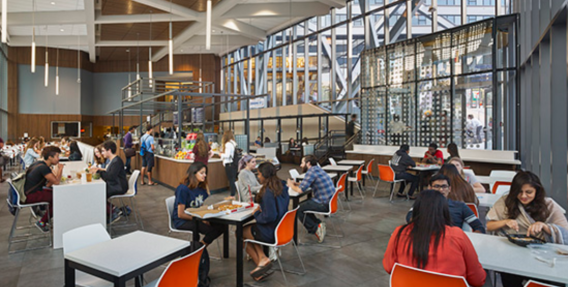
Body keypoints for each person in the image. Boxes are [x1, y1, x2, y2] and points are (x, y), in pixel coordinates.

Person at [383, 189, 486, 287]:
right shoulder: (457, 236)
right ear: (444, 211)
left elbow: (389, 267)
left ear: (416, 210)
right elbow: (478, 279)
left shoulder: (400, 233)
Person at [486, 171, 568, 287]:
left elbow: (565, 232)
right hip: (511, 253)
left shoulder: (548, 205)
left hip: (541, 256)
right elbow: (489, 226)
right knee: (510, 277)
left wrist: (545, 226)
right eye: (519, 192)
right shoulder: (506, 202)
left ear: (537, 191)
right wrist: (505, 222)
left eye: (529, 192)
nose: (523, 196)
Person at [243, 162, 289, 282]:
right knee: (249, 231)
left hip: (271, 231)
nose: (258, 177)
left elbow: (269, 216)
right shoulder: (282, 186)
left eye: (258, 174)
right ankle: (261, 264)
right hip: (282, 228)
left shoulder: (268, 191)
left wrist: (257, 213)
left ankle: (261, 260)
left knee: (241, 232)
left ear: (264, 175)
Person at [171, 162, 224, 262]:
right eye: (202, 173)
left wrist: (206, 216)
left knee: (222, 225)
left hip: (197, 217)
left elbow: (199, 207)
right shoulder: (183, 189)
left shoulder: (201, 188)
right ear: (194, 174)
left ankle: (199, 249)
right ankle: (197, 252)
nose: (205, 175)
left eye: (205, 173)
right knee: (212, 230)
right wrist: (201, 219)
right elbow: (180, 214)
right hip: (182, 221)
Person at [406, 174, 485, 233]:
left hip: (451, 241)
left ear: (449, 189)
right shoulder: (422, 202)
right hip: (425, 241)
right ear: (430, 188)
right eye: (436, 186)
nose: (441, 190)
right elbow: (409, 218)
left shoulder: (460, 206)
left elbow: (479, 228)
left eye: (444, 186)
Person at [286, 155, 335, 243]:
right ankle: (318, 224)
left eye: (302, 163)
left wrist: (291, 185)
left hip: (323, 204)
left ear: (308, 164)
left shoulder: (311, 172)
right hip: (330, 202)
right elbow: (307, 184)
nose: (301, 165)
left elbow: (300, 190)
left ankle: (315, 227)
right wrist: (297, 184)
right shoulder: (318, 169)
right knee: (304, 205)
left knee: (298, 209)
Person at [24, 146, 64, 233]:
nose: (58, 159)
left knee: (55, 195)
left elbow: (49, 183)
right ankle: (42, 222)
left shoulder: (38, 163)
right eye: (57, 156)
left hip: (28, 192)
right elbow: (56, 182)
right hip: (30, 195)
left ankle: (46, 215)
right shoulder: (43, 168)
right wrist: (60, 169)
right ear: (50, 157)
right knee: (59, 198)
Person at [89, 141, 128, 223]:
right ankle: (113, 210)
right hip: (116, 184)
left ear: (109, 150)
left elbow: (110, 177)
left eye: (103, 151)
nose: (102, 153)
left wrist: (98, 172)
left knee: (98, 194)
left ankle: (113, 212)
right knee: (96, 192)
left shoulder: (116, 161)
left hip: (119, 186)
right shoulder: (113, 160)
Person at [218, 130, 238, 196]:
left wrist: (221, 155)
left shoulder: (228, 144)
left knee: (231, 180)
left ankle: (232, 195)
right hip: (233, 164)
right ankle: (233, 194)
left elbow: (227, 155)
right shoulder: (233, 143)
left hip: (229, 164)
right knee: (233, 179)